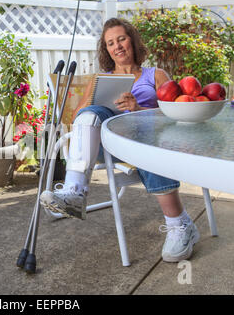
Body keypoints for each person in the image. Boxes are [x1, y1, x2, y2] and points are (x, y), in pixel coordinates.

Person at [40, 18, 200, 263]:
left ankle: (180, 225)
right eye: (110, 43)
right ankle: (74, 193)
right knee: (91, 114)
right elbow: (77, 118)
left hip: (146, 140)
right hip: (108, 145)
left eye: (121, 39)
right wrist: (102, 105)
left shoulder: (155, 75)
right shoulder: (99, 79)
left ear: (132, 41)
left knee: (146, 141)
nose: (117, 46)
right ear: (107, 50)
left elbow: (171, 117)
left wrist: (137, 109)